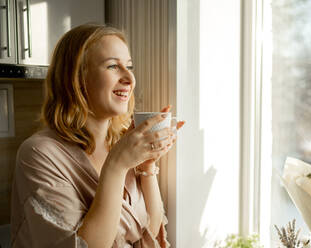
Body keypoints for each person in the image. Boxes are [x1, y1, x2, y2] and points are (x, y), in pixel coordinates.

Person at [10, 23, 184, 248]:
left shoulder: (123, 143)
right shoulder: (39, 153)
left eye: (128, 66)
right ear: (77, 78)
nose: (129, 78)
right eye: (113, 66)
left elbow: (150, 237)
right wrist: (117, 166)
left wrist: (147, 167)